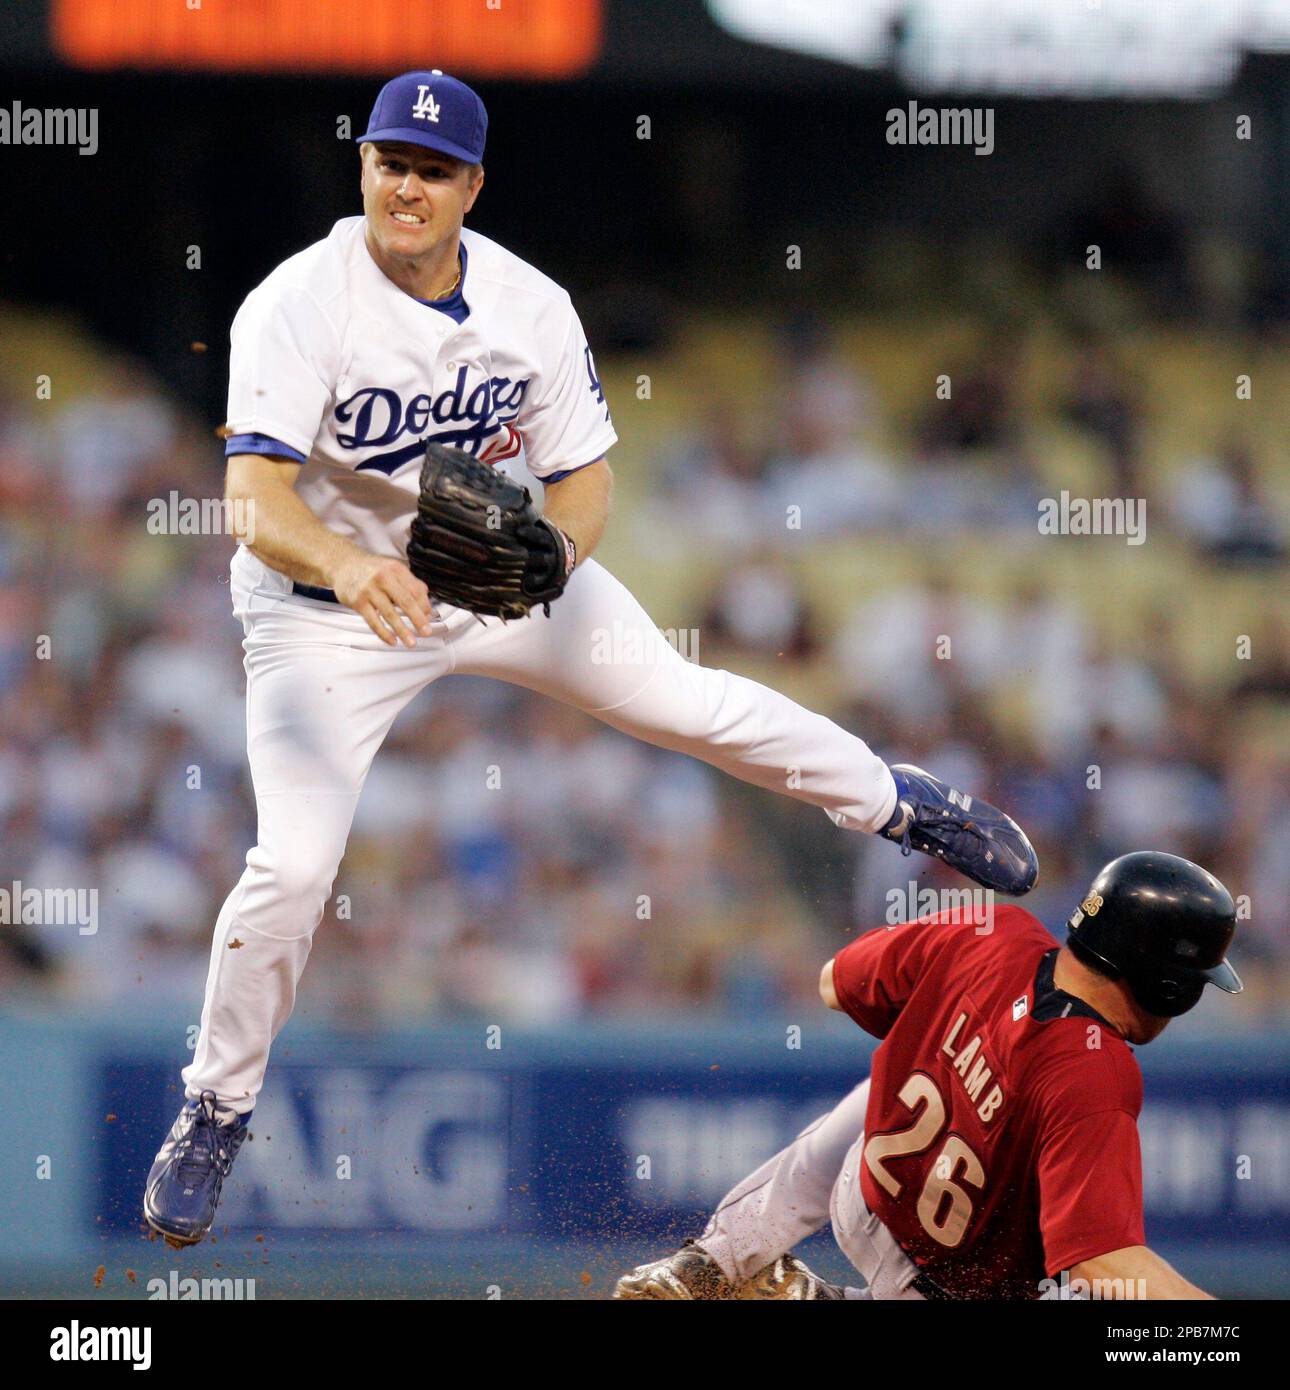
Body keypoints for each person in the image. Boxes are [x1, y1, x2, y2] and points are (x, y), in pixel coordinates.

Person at [142, 70, 1036, 1248]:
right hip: (322, 608)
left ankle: (901, 800)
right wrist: (355, 568)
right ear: (363, 166)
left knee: (685, 699)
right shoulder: (297, 303)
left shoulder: (531, 303)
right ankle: (217, 1102)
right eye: (389, 161)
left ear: (473, 184)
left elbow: (585, 474)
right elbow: (252, 499)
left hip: (482, 574)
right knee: (296, 865)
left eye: (433, 169)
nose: (406, 185)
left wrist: (554, 551)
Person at [615, 852, 1241, 1300]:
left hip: (860, 1190)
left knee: (893, 1080)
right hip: (938, 1283)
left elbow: (834, 983)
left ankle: (709, 1262)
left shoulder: (992, 928)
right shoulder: (1096, 1074)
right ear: (1169, 986)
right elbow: (1102, 1264)